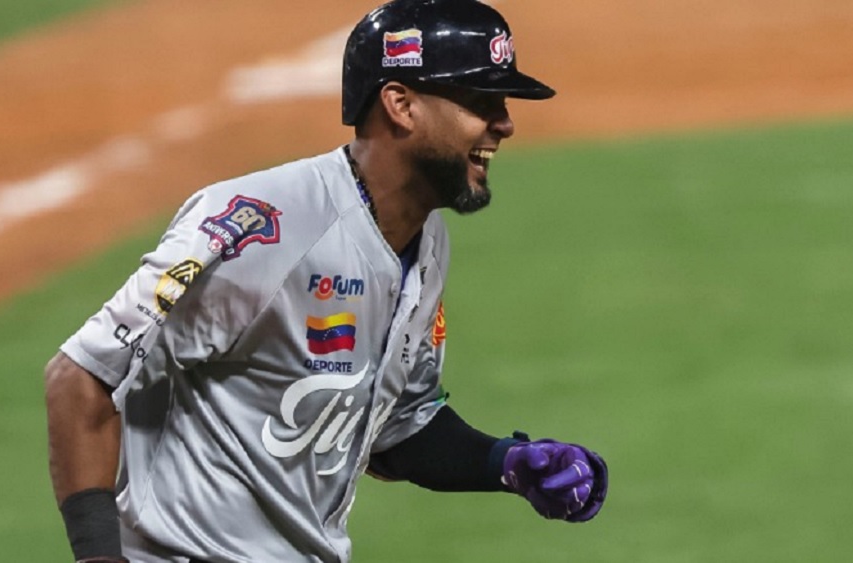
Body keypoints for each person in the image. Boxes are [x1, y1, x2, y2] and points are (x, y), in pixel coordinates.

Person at [44, 0, 608, 561]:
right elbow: (81, 377)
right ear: (401, 105)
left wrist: (508, 464)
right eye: (481, 101)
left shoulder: (426, 241)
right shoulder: (262, 228)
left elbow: (396, 429)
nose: (505, 123)